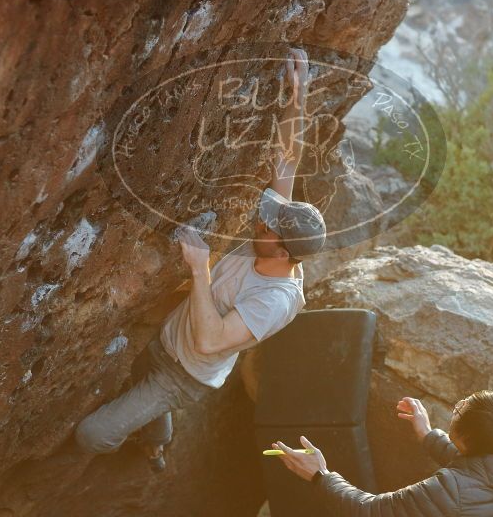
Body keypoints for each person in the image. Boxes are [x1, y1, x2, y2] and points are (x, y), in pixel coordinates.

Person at [75, 48, 327, 472]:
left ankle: (152, 446)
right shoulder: (279, 240)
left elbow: (210, 341)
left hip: (184, 376)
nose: (258, 222)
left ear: (284, 253)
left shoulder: (274, 300)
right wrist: (296, 96)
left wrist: (199, 266)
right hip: (168, 337)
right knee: (140, 377)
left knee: (92, 435)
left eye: (267, 228)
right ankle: (155, 438)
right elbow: (287, 159)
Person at [272, 390, 493, 517]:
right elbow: (479, 472)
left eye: (461, 410)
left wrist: (319, 475)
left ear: (467, 439)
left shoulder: (450, 489)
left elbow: (369, 512)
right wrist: (427, 433)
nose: (458, 404)